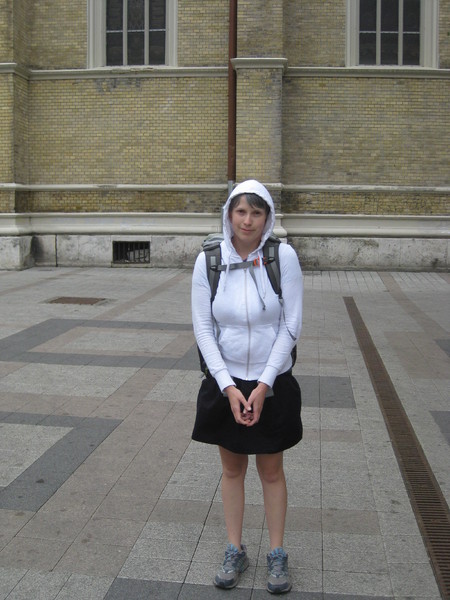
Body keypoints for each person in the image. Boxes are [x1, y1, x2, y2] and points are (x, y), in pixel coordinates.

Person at [191, 179, 303, 594]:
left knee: (271, 471)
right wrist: (228, 386)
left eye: (257, 212)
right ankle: (234, 548)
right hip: (228, 381)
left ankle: (277, 552)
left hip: (272, 382)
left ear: (267, 217)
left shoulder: (282, 256)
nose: (248, 220)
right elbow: (203, 327)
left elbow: (291, 324)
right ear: (229, 214)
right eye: (241, 211)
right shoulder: (209, 260)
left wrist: (263, 383)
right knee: (232, 469)